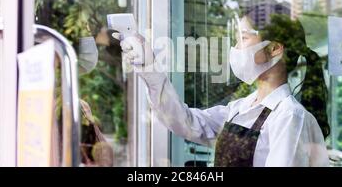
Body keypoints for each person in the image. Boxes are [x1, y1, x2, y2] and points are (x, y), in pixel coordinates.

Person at [117, 14, 330, 167]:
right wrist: (150, 69)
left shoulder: (289, 117)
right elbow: (185, 122)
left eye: (244, 38)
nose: (236, 47)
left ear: (274, 48)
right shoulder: (240, 108)